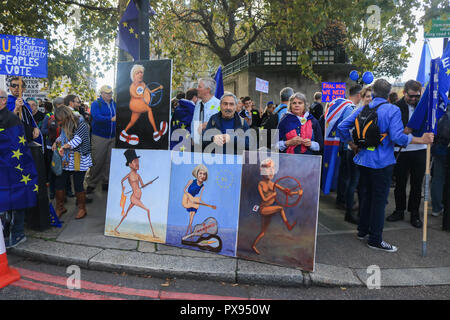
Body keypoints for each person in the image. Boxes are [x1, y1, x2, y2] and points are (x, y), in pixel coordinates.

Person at [338, 79, 434, 252]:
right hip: (382, 162)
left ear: (373, 92)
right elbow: (398, 137)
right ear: (389, 92)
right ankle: (375, 239)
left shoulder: (363, 108)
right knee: (379, 201)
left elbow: (342, 126)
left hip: (362, 160)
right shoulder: (392, 109)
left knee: (365, 196)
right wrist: (421, 140)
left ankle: (362, 231)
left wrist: (352, 145)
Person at [0, 88, 38, 248]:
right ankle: (6, 232)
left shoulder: (11, 119)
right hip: (3, 169)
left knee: (16, 199)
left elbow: (15, 145)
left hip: (13, 168)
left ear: (2, 100)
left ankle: (17, 234)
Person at [387, 80, 426, 228]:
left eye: (417, 96)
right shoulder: (396, 107)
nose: (414, 99)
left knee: (416, 184)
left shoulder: (423, 107)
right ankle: (399, 210)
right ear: (404, 93)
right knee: (400, 183)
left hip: (420, 150)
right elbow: (394, 131)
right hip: (401, 150)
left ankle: (415, 213)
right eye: (411, 96)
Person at [251, 158, 301, 255]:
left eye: (272, 170)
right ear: (262, 171)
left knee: (263, 232)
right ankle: (288, 225)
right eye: (267, 170)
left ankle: (253, 245)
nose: (270, 172)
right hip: (263, 209)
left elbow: (287, 192)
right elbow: (264, 199)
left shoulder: (273, 184)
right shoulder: (260, 184)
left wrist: (297, 192)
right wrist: (272, 195)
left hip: (268, 210)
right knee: (280, 208)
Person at [52, 106, 92, 220]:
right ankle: (60, 208)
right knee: (59, 182)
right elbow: (62, 136)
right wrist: (57, 142)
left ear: (66, 116)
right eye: (58, 120)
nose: (59, 122)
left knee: (78, 184)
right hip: (66, 158)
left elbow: (77, 140)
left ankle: (82, 208)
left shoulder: (81, 123)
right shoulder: (65, 123)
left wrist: (64, 146)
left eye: (60, 120)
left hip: (79, 157)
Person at [343, 86, 372, 224]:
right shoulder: (357, 111)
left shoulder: (374, 111)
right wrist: (352, 144)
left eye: (372, 96)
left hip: (367, 154)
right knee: (353, 182)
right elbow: (343, 127)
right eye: (367, 96)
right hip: (355, 153)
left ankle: (361, 211)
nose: (370, 99)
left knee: (362, 184)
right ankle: (349, 212)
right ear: (362, 97)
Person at [114, 149, 158, 239]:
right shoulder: (129, 175)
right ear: (130, 164)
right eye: (135, 161)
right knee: (148, 210)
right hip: (134, 198)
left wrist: (148, 183)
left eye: (138, 161)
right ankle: (153, 234)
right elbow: (122, 181)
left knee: (126, 213)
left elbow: (142, 185)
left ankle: (116, 228)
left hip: (138, 197)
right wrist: (123, 188)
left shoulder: (138, 175)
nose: (137, 163)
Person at [120, 64, 167, 145]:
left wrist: (158, 88)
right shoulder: (132, 86)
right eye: (138, 73)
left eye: (141, 72)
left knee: (132, 121)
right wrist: (143, 96)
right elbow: (135, 94)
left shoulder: (143, 84)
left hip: (139, 106)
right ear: (134, 75)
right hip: (135, 105)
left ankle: (123, 133)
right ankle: (156, 132)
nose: (140, 74)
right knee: (149, 109)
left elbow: (150, 91)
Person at [86, 85, 116, 194]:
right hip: (99, 137)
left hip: (112, 137)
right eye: (107, 93)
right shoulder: (96, 104)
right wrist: (111, 119)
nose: (109, 95)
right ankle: (91, 183)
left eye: (111, 93)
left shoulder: (114, 103)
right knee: (97, 160)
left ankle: (106, 182)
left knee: (109, 160)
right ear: (102, 93)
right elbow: (97, 117)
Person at [6, 77, 41, 144]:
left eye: (19, 86)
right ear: (10, 88)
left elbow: (30, 119)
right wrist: (16, 109)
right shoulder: (4, 103)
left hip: (26, 137)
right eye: (13, 85)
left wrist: (35, 127)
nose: (16, 88)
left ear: (24, 89)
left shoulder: (26, 104)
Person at [431, 103, 450, 217]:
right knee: (439, 179)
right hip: (444, 149)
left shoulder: (440, 111)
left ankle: (436, 208)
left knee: (437, 179)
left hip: (439, 149)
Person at [191, 77, 221, 147]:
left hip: (212, 148)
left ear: (208, 90)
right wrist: (193, 139)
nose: (197, 89)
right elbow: (194, 123)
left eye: (199, 87)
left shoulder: (219, 105)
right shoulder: (198, 104)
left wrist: (209, 124)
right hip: (196, 147)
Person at [182, 164, 208, 236]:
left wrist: (204, 203)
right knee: (191, 213)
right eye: (200, 173)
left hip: (194, 199)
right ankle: (188, 232)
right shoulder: (191, 181)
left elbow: (200, 198)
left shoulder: (202, 186)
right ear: (197, 174)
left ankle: (188, 233)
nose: (202, 176)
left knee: (192, 217)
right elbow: (184, 190)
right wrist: (190, 197)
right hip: (187, 197)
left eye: (204, 174)